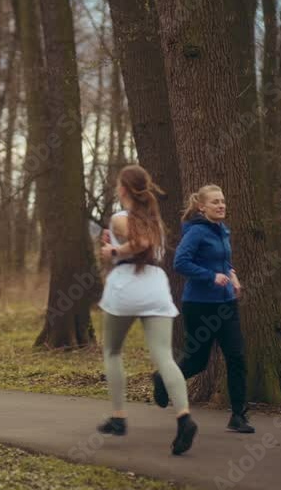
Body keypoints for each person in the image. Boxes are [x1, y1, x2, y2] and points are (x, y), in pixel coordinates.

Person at [96, 164, 198, 456]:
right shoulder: (156, 222)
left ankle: (118, 417)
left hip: (126, 286)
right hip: (154, 286)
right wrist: (112, 249)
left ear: (123, 189)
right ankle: (184, 417)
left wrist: (114, 251)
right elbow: (144, 242)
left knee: (112, 351)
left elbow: (140, 243)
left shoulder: (120, 218)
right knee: (164, 356)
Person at [153, 184, 255, 434]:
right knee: (197, 362)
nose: (221, 205)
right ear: (202, 207)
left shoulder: (222, 230)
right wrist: (210, 276)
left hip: (226, 304)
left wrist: (232, 275)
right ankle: (162, 378)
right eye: (215, 202)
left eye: (222, 201)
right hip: (200, 306)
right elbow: (181, 262)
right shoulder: (196, 232)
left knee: (236, 357)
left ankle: (238, 416)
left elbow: (223, 261)